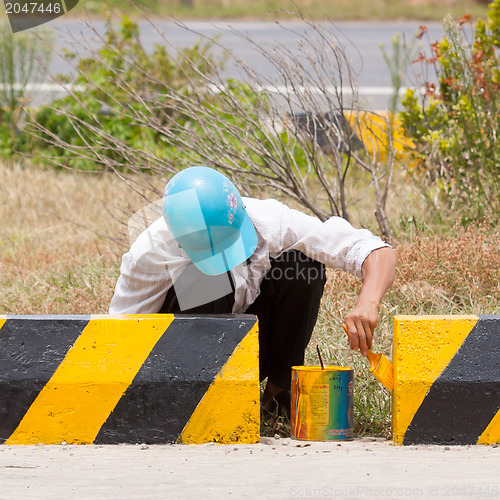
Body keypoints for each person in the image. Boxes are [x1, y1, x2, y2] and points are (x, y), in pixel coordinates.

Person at [109, 166, 396, 415]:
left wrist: (368, 302)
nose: (227, 257)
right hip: (184, 357)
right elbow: (120, 336)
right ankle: (202, 396)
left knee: (302, 265)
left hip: (253, 344)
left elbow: (373, 250)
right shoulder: (149, 254)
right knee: (206, 280)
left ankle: (277, 394)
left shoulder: (271, 220)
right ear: (179, 241)